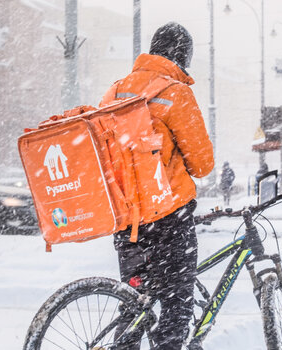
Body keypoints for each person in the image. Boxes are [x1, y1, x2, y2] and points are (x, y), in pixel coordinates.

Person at [100, 22, 214, 349]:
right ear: (183, 57)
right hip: (169, 217)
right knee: (177, 303)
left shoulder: (115, 91)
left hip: (127, 219)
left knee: (135, 301)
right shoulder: (176, 93)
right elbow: (202, 164)